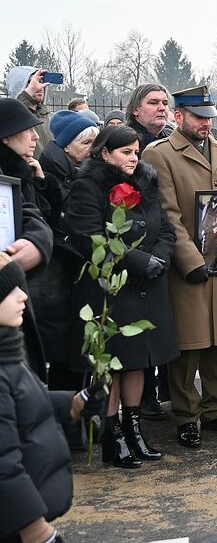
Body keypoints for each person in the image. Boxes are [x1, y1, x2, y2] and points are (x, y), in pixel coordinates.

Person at [142, 85, 217, 449]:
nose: (205, 125)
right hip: (190, 268)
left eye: (209, 118)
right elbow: (167, 215)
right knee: (188, 344)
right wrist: (191, 261)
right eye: (198, 118)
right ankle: (186, 415)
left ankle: (216, 409)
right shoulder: (159, 154)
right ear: (178, 116)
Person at [65, 125, 180, 468]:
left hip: (148, 286)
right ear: (104, 153)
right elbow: (88, 235)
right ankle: (113, 436)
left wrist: (160, 256)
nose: (133, 158)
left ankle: (134, 431)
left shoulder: (146, 181)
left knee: (139, 361)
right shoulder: (89, 185)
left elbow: (167, 227)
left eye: (136, 151)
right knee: (114, 363)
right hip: (111, 287)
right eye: (125, 152)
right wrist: (139, 261)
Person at [0, 253, 97, 543]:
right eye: (10, 291)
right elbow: (3, 463)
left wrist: (73, 402)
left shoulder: (9, 353)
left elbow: (24, 404)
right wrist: (35, 529)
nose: (23, 298)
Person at [34, 111, 98, 393]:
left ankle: (77, 414)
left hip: (79, 272)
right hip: (57, 276)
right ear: (66, 145)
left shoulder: (81, 173)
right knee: (63, 353)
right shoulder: (48, 175)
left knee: (81, 351)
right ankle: (66, 417)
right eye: (86, 143)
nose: (92, 150)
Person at [0, 101, 53, 280]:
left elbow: (37, 215)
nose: (36, 137)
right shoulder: (7, 175)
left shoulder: (22, 171)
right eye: (28, 129)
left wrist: (40, 181)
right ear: (6, 136)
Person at [4, 66, 54, 149]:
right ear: (18, 86)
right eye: (31, 82)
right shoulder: (10, 118)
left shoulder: (52, 118)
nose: (38, 86)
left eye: (41, 81)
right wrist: (28, 94)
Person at [125, 83, 173, 152]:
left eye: (165, 103)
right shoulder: (124, 140)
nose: (162, 108)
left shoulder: (174, 138)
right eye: (153, 103)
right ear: (135, 110)